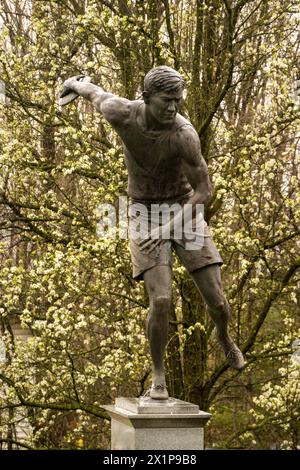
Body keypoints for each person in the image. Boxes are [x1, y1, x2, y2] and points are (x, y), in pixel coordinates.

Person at [60, 66, 245, 400]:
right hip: (143, 211)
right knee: (161, 299)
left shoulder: (183, 134)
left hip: (184, 210)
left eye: (178, 100)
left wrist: (170, 227)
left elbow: (204, 191)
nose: (173, 108)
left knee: (216, 301)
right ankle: (158, 377)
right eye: (166, 101)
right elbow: (96, 94)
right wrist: (75, 83)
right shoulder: (122, 114)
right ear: (145, 98)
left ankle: (224, 335)